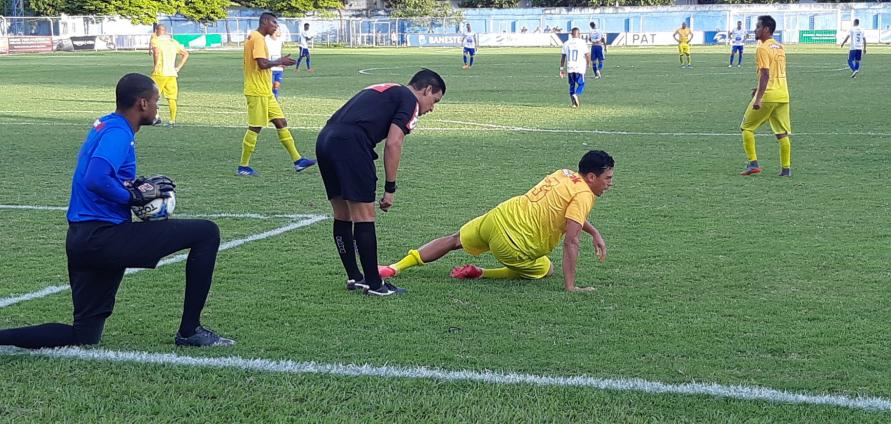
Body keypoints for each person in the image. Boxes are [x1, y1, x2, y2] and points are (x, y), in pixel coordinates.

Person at [0, 73, 234, 349]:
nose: (158, 107)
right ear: (143, 104)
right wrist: (133, 196)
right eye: (156, 102)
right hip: (103, 237)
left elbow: (100, 174)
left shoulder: (107, 125)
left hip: (82, 241)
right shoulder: (119, 132)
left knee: (84, 335)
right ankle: (190, 330)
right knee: (206, 233)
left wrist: (134, 186)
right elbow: (95, 178)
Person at [378, 150, 614, 293]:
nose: (609, 183)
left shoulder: (563, 173)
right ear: (591, 177)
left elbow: (568, 213)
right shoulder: (585, 194)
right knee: (546, 268)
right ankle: (482, 272)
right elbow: (571, 241)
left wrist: (593, 232)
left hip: (500, 216)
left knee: (454, 240)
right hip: (515, 244)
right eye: (607, 178)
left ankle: (395, 267)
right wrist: (571, 287)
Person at [316, 69, 445, 297]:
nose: (432, 108)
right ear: (426, 90)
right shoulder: (409, 100)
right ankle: (375, 285)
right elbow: (394, 143)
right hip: (351, 144)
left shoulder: (388, 89)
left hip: (326, 139)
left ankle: (356, 277)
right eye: (434, 100)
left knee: (342, 215)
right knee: (365, 216)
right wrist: (390, 188)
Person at [237, 13, 316, 176]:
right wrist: (280, 61)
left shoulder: (255, 36)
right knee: (255, 127)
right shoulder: (257, 38)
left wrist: (279, 61)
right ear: (265, 22)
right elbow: (262, 63)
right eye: (274, 23)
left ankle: (298, 161)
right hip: (257, 91)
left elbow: (262, 63)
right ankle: (243, 166)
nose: (276, 26)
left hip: (265, 91)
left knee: (281, 122)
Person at [739, 15, 792, 177]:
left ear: (766, 29)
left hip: (768, 96)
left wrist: (759, 97)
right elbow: (774, 73)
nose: (755, 30)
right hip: (783, 95)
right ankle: (786, 169)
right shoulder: (780, 47)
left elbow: (766, 73)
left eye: (757, 27)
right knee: (781, 133)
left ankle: (753, 163)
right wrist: (759, 88)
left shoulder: (762, 47)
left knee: (746, 128)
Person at [150, 24, 189, 127]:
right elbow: (185, 54)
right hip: (172, 73)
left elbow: (156, 52)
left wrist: (155, 65)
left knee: (152, 95)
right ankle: (172, 121)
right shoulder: (173, 42)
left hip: (160, 73)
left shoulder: (156, 40)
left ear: (157, 31)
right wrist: (178, 68)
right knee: (172, 98)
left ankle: (156, 117)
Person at [560, 28, 590, 108]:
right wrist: (588, 63)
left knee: (571, 85)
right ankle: (576, 95)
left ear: (571, 34)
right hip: (579, 67)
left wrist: (561, 69)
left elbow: (563, 57)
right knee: (581, 84)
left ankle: (573, 104)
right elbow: (587, 54)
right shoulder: (582, 43)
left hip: (570, 67)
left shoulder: (566, 43)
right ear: (579, 34)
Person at [266, 27, 285, 100]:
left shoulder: (280, 40)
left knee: (276, 85)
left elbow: (280, 52)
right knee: (270, 86)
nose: (280, 31)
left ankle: (275, 100)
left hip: (279, 67)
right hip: (270, 67)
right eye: (278, 30)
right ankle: (269, 100)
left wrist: (283, 61)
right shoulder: (267, 39)